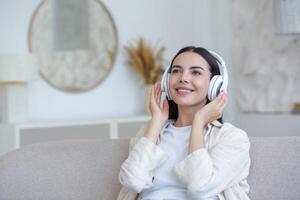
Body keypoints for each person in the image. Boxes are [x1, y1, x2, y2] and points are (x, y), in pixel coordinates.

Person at [117, 46, 251, 200]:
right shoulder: (150, 131)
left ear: (215, 84)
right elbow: (132, 181)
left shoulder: (232, 138)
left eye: (196, 72)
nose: (183, 78)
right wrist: (156, 121)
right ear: (167, 82)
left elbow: (200, 189)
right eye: (176, 71)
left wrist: (198, 123)